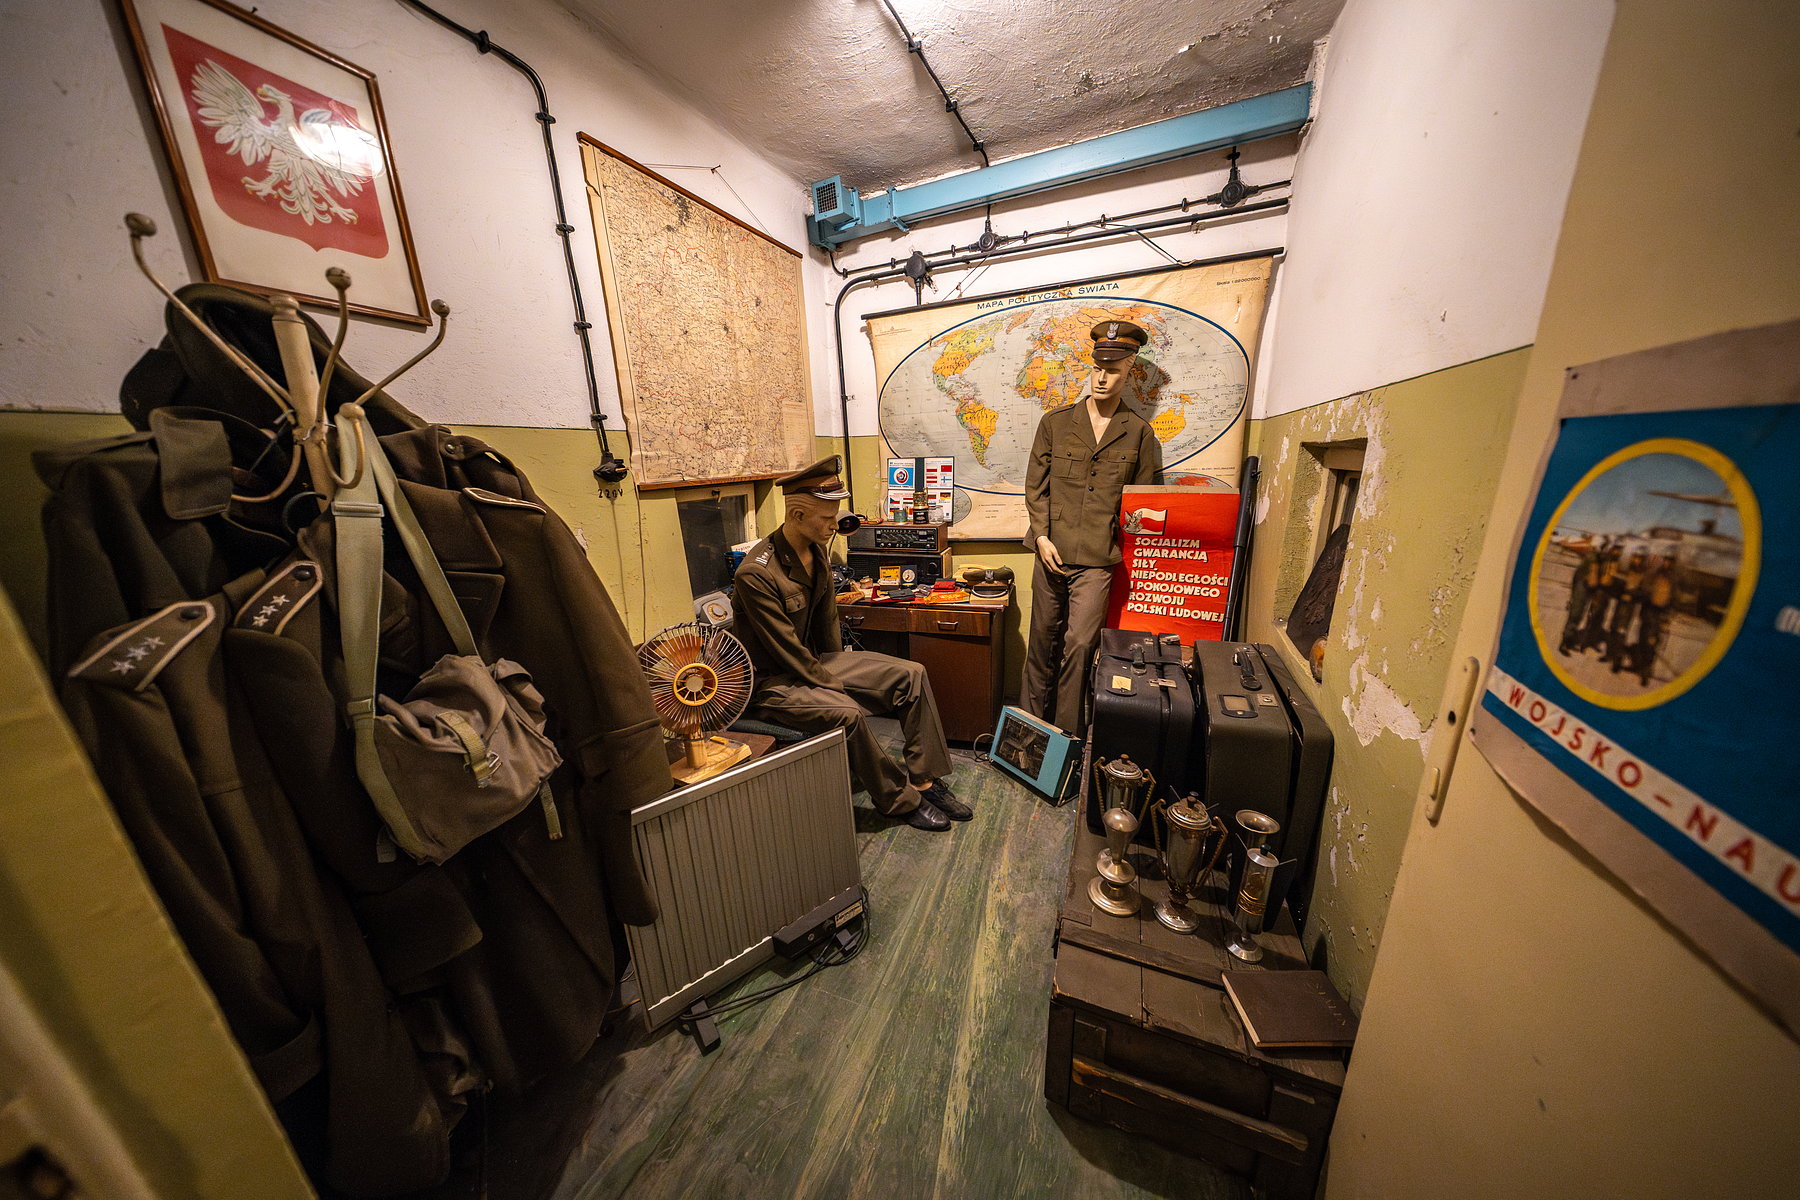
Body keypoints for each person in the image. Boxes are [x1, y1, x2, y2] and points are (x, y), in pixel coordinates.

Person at [731, 455, 968, 832]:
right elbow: (784, 649)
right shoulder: (755, 574)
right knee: (848, 712)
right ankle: (897, 800)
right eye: (827, 518)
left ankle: (924, 780)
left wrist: (845, 669)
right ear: (797, 516)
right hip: (774, 682)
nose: (835, 524)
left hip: (815, 662)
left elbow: (827, 620)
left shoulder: (815, 548)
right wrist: (838, 686)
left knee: (912, 674)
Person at [1020, 320, 1163, 732]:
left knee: (1080, 646)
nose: (1102, 378)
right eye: (1098, 368)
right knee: (1041, 641)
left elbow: (1142, 502)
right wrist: (1041, 535)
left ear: (1129, 371)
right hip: (1051, 549)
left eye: (1113, 370)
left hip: (1098, 559)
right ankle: (1027, 731)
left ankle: (1065, 737)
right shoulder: (1056, 422)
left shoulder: (1138, 433)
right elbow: (1036, 486)